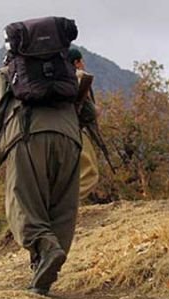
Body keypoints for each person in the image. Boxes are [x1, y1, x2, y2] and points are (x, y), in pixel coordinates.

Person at [0, 17, 81, 296]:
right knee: (61, 208)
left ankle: (46, 250)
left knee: (22, 203)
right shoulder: (67, 67)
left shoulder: (10, 69)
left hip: (28, 136)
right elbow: (88, 108)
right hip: (70, 139)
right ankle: (42, 274)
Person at [69, 48, 100, 199]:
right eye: (81, 61)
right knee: (90, 172)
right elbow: (90, 113)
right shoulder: (78, 78)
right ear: (76, 62)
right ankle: (64, 206)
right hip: (71, 130)